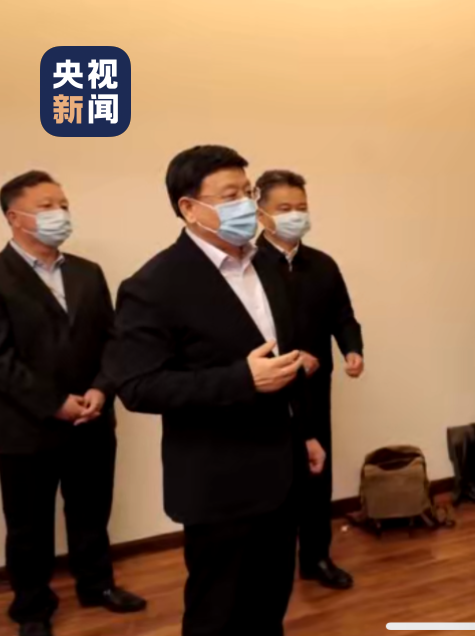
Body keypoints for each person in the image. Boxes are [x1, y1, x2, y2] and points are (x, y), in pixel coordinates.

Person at [106, 146, 326, 636]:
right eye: (230, 196)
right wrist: (241, 379)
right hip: (219, 482)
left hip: (282, 468)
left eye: (248, 192)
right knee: (217, 613)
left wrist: (306, 432)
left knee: (270, 604)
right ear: (189, 207)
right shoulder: (154, 284)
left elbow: (282, 357)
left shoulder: (266, 266)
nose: (247, 205)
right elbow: (138, 386)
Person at [0, 172, 146, 636]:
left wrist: (102, 388)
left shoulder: (87, 272)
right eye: (46, 205)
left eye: (62, 203)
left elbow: (113, 339)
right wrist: (53, 402)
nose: (60, 213)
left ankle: (97, 585)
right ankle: (32, 607)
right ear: (15, 217)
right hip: (26, 426)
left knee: (91, 511)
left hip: (92, 418)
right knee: (28, 525)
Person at [253, 169, 364, 591]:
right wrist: (291, 360)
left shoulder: (322, 264)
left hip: (316, 388)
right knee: (276, 475)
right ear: (262, 214)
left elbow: (343, 315)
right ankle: (272, 562)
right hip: (268, 390)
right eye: (284, 208)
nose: (295, 215)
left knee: (317, 472)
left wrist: (352, 348)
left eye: (301, 207)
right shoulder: (248, 266)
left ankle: (317, 556)